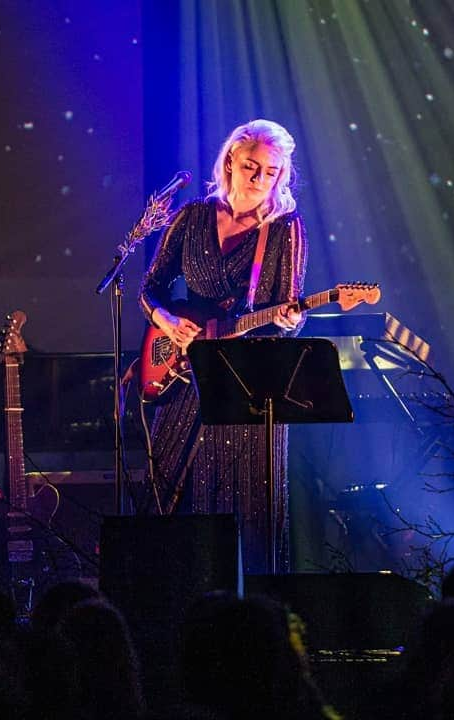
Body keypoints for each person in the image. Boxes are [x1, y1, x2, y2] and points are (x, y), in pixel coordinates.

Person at [138, 118, 308, 574]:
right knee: (168, 490)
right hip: (182, 373)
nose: (258, 178)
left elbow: (287, 313)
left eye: (270, 172)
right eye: (251, 165)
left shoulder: (284, 228)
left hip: (247, 382)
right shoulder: (192, 216)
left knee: (247, 508)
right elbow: (149, 288)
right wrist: (168, 321)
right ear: (230, 159)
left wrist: (291, 320)